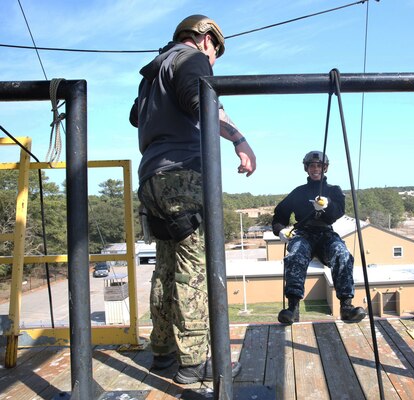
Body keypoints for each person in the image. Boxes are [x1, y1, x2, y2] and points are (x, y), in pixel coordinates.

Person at [129, 14, 255, 384]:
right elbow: (202, 100)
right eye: (216, 52)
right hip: (183, 175)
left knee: (166, 268)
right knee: (193, 270)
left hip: (152, 177)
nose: (213, 61)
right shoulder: (191, 58)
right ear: (206, 39)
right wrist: (239, 140)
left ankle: (164, 354)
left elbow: (137, 117)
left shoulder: (152, 73)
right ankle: (193, 362)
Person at [271, 151, 366, 325]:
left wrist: (327, 204)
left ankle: (346, 307)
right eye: (312, 166)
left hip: (325, 234)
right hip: (304, 234)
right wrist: (280, 231)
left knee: (342, 254)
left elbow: (337, 212)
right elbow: (280, 214)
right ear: (306, 168)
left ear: (325, 168)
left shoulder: (333, 191)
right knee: (295, 256)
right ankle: (292, 308)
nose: (316, 169)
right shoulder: (298, 192)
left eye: (319, 166)